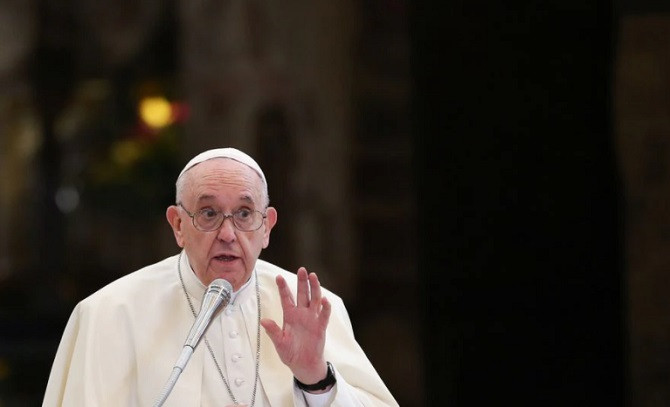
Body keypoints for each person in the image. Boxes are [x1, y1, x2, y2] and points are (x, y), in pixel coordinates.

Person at [43, 147, 398, 406]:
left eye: (244, 213)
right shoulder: (109, 313)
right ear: (178, 225)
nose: (228, 233)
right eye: (209, 213)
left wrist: (317, 379)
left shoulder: (315, 308)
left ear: (267, 227)